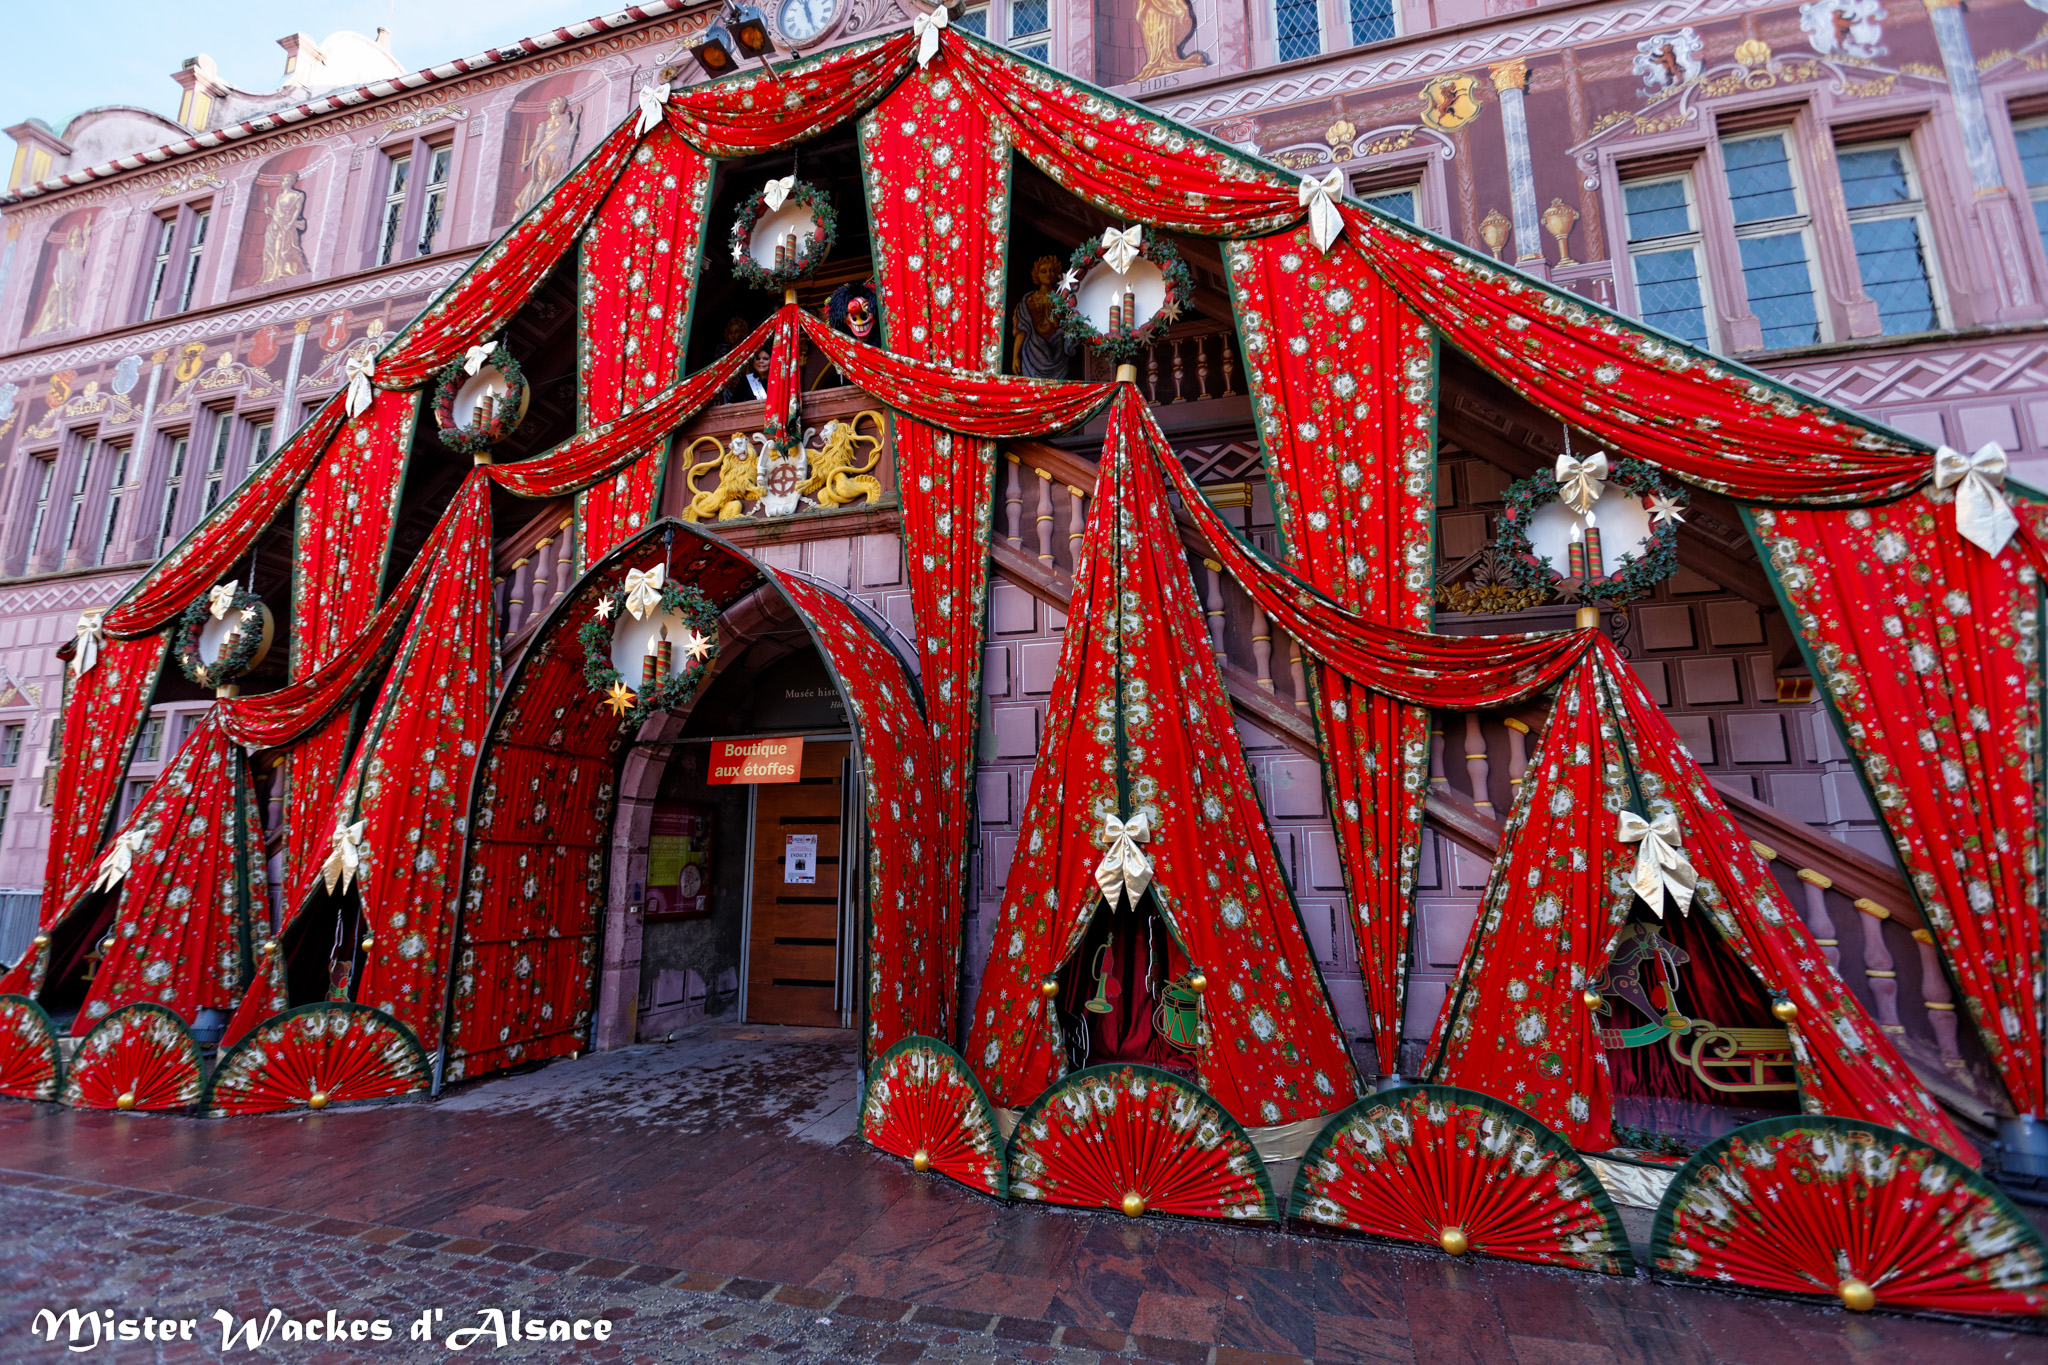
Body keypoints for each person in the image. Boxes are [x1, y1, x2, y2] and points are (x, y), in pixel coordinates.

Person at [1011, 255, 1077, 380]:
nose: (1048, 274)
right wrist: (1015, 356)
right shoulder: (1028, 300)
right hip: (1033, 353)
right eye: (1043, 271)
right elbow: (1022, 330)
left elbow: (1071, 326)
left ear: (1057, 273)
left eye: (1052, 270)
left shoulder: (1063, 298)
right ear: (1037, 275)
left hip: (1058, 353)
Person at [512, 96, 578, 217]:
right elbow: (537, 143)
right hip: (544, 153)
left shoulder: (565, 119)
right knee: (540, 180)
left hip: (559, 152)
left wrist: (577, 116)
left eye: (556, 106)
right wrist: (529, 160)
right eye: (551, 106)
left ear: (561, 107)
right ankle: (532, 207)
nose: (553, 108)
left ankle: (548, 205)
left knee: (553, 178)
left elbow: (570, 134)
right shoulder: (544, 124)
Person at [258, 172, 309, 283]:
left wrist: (290, 224)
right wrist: (270, 211)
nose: (287, 182)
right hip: (276, 226)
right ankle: (274, 274)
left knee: (283, 250)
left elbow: (297, 211)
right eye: (285, 180)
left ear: (293, 182)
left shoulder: (297, 195)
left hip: (287, 227)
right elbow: (277, 213)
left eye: (290, 180)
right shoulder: (280, 197)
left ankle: (287, 272)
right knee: (271, 250)